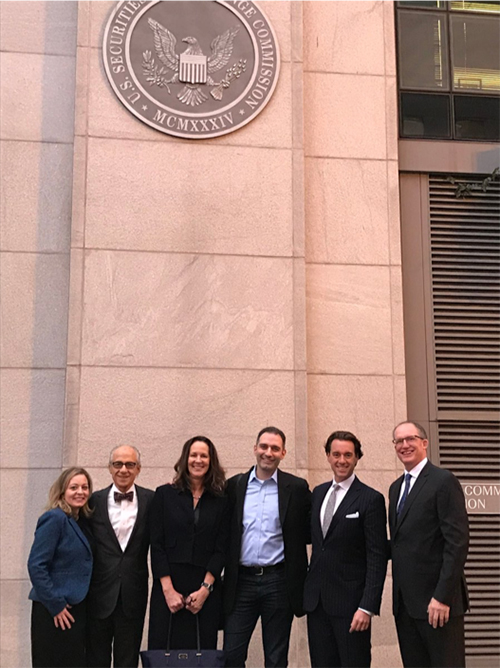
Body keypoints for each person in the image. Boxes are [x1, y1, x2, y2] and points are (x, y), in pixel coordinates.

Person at [223, 426, 311, 668]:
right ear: (255, 449)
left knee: (275, 657)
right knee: (231, 654)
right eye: (264, 446)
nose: (268, 453)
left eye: (275, 448)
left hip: (278, 582)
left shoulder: (297, 488)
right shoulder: (234, 486)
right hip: (241, 582)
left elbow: (313, 528)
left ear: (283, 453)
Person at [303, 431, 388, 668]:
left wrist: (367, 606)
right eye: (337, 454)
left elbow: (377, 556)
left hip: (352, 606)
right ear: (328, 456)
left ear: (357, 457)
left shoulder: (371, 499)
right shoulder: (318, 493)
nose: (342, 460)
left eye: (348, 455)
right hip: (317, 604)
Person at [389, 421, 469, 668]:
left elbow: (457, 542)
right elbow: (401, 542)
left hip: (437, 606)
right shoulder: (395, 488)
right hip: (406, 607)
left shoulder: (443, 481)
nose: (404, 445)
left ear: (424, 443)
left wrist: (442, 597)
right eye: (399, 441)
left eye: (410, 439)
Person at [148, 436, 229, 651]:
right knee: (163, 654)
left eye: (204, 456)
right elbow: (156, 544)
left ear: (211, 461)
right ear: (185, 459)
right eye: (193, 455)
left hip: (204, 590)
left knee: (201, 654)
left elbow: (222, 548)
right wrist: (168, 590)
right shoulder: (165, 494)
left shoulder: (221, 500)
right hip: (168, 587)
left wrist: (205, 590)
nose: (198, 460)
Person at [86, 445, 154, 668]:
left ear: (139, 469)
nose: (123, 469)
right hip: (98, 594)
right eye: (118, 464)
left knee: (128, 660)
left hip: (133, 595)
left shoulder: (151, 500)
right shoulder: (92, 501)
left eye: (130, 464)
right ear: (109, 468)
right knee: (96, 659)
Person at [28, 467, 93, 668]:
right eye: (73, 487)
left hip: (75, 609)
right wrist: (55, 604)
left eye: (85, 487)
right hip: (54, 611)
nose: (80, 492)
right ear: (62, 491)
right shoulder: (54, 518)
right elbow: (36, 565)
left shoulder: (80, 520)